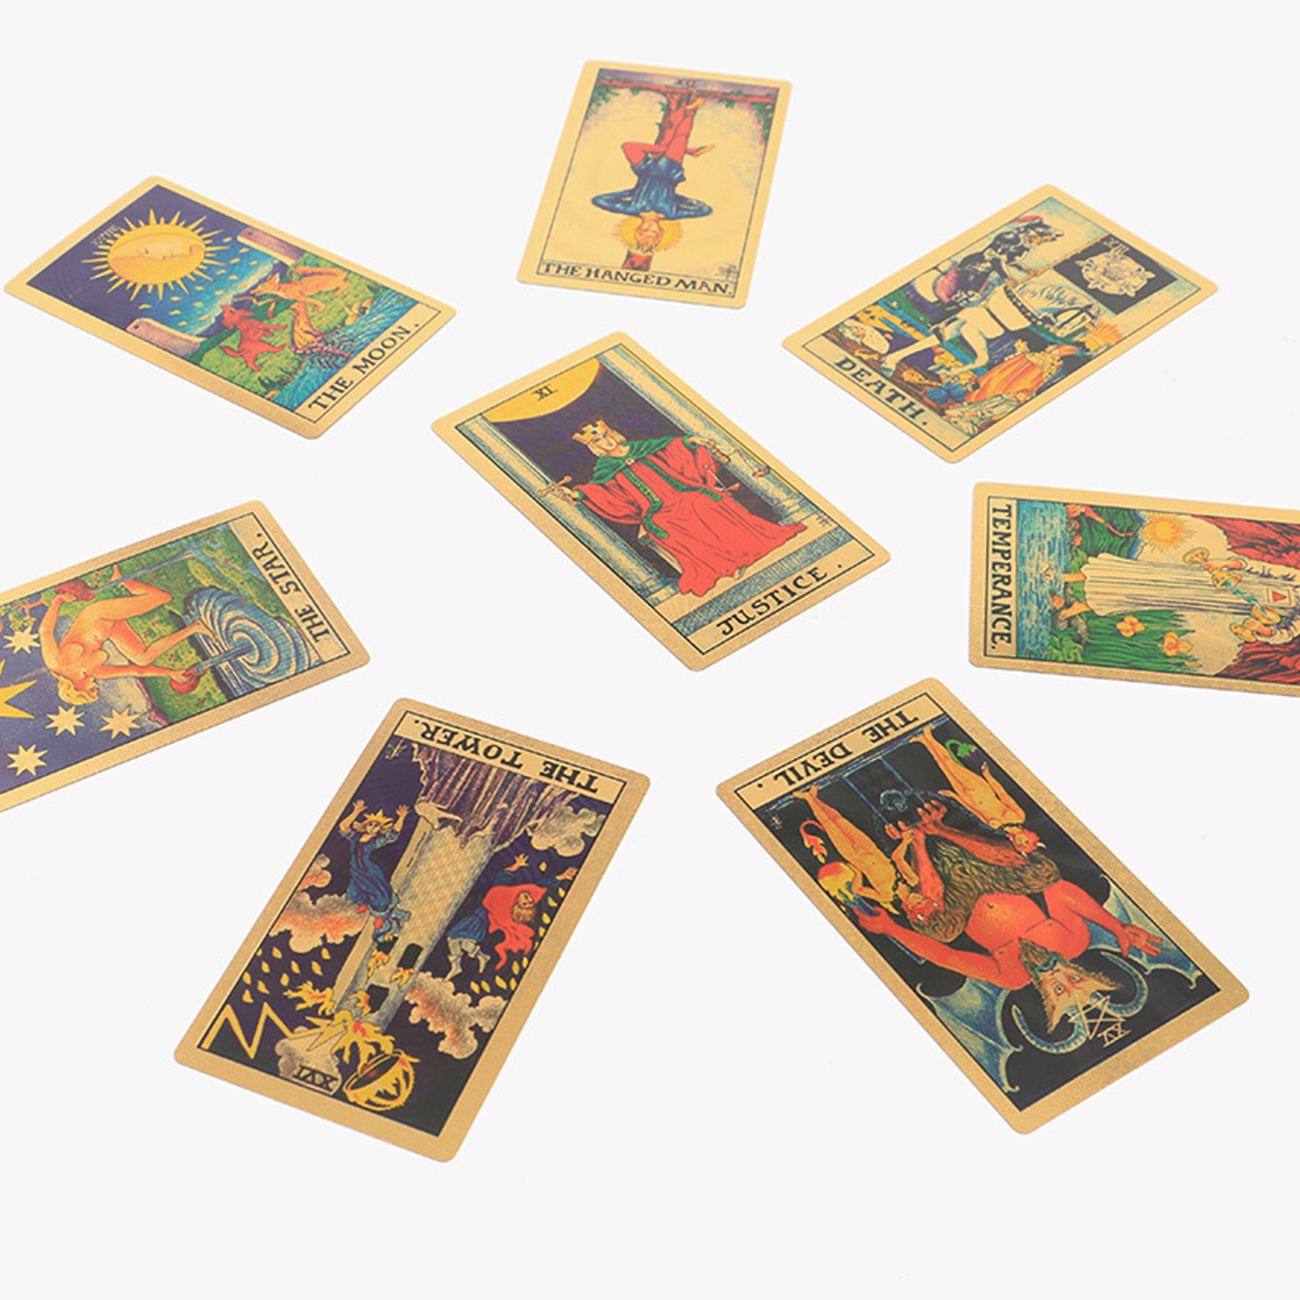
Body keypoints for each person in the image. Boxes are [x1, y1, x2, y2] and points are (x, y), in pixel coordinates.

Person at [549, 419, 805, 597]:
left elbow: (674, 447)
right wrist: (576, 493)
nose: (605, 442)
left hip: (683, 491)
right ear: (594, 446)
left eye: (606, 436)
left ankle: (740, 551)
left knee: (703, 503)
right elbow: (599, 490)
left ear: (612, 434)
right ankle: (720, 564)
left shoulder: (640, 448)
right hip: (657, 508)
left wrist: (690, 441)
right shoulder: (604, 467)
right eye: (598, 440)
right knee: (664, 524)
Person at [38, 564, 207, 705]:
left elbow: (45, 631)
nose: (96, 687)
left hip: (98, 614)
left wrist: (58, 601)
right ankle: (195, 628)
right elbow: (136, 671)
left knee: (162, 597)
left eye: (92, 690)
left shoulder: (56, 662)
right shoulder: (95, 672)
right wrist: (170, 673)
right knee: (142, 659)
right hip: (110, 629)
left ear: (77, 689)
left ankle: (122, 580)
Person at [592, 88, 715, 221]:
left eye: (645, 230)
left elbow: (599, 200)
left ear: (640, 229)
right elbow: (704, 209)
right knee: (680, 136)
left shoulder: (632, 209)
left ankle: (687, 146)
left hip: (645, 170)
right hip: (667, 172)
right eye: (653, 231)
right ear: (659, 230)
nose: (649, 229)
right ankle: (690, 109)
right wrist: (675, 199)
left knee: (629, 146)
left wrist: (632, 193)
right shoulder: (671, 213)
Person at [337, 799, 411, 943]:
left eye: (376, 826)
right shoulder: (355, 837)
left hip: (371, 873)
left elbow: (392, 835)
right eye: (370, 824)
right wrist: (356, 812)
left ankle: (391, 916)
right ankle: (387, 917)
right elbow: (343, 826)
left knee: (380, 896)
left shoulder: (375, 841)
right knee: (363, 896)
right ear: (365, 825)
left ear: (379, 829)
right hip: (357, 873)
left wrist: (401, 818)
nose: (372, 827)